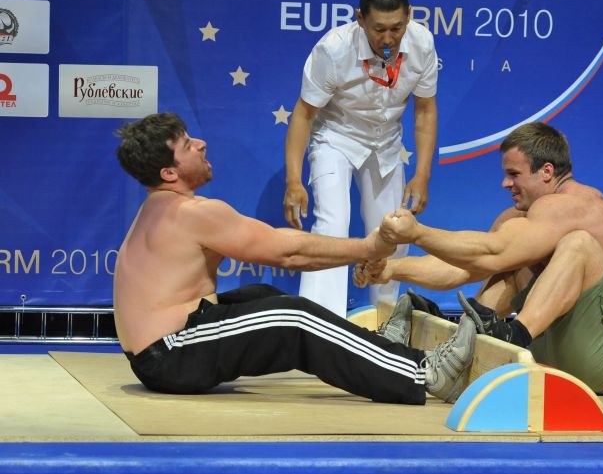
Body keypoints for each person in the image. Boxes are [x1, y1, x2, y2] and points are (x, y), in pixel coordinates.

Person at [112, 112, 474, 405]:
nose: (201, 144)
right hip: (170, 355)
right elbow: (289, 251)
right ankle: (423, 373)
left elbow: (281, 244)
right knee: (293, 317)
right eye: (188, 145)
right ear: (169, 173)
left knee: (260, 298)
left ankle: (380, 351)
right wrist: (369, 247)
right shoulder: (189, 213)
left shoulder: (157, 209)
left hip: (158, 353)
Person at [358, 122, 603, 395]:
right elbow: (469, 265)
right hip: (559, 347)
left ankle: (513, 335)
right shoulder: (530, 217)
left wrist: (418, 233)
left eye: (514, 174)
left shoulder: (581, 206)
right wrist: (391, 269)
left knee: (578, 244)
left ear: (546, 171)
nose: (504, 184)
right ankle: (461, 349)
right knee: (514, 257)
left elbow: (493, 253)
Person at [283, 0, 438, 316]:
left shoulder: (422, 43)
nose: (388, 38)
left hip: (386, 144)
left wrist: (422, 174)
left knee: (393, 232)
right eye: (379, 29)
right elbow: (304, 114)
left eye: (397, 27)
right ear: (360, 19)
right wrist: (293, 181)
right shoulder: (333, 50)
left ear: (409, 17)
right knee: (332, 227)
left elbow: (425, 110)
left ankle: (384, 322)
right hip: (335, 138)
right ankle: (321, 328)